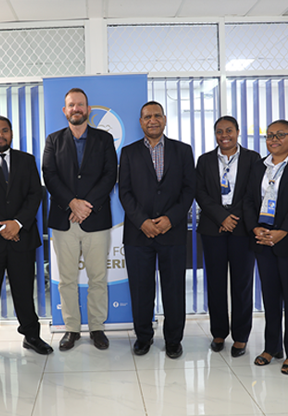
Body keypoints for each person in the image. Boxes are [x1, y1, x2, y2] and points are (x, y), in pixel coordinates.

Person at [0, 115, 53, 366]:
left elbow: (35, 193)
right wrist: (1, 226)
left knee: (25, 291)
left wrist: (18, 223)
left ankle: (31, 336)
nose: (0, 135)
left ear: (11, 134)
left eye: (5, 130)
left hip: (21, 238)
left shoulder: (27, 160)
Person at [118, 101, 195, 358]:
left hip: (172, 232)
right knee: (141, 290)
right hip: (138, 233)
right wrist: (143, 221)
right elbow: (125, 192)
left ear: (165, 119)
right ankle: (143, 337)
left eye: (157, 115)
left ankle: (174, 340)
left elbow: (188, 190)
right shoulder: (128, 153)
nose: (153, 120)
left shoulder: (183, 151)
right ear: (140, 122)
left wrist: (170, 219)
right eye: (147, 116)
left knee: (174, 290)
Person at [42, 88, 117, 351]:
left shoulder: (104, 140)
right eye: (71, 105)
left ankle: (97, 327)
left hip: (95, 219)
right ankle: (71, 328)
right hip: (65, 220)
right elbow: (49, 175)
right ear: (65, 111)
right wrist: (71, 203)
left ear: (88, 109)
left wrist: (87, 206)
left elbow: (110, 175)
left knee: (98, 277)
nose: (76, 109)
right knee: (67, 279)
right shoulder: (53, 140)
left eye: (81, 105)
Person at [242, 120, 288, 375]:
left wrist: (284, 231)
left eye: (281, 135)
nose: (274, 139)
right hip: (262, 240)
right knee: (270, 298)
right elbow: (248, 199)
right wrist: (254, 228)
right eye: (270, 135)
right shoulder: (259, 166)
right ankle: (272, 347)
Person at [196, 115, 260, 357]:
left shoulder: (253, 159)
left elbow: (253, 193)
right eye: (220, 131)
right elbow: (200, 192)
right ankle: (219, 333)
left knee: (242, 284)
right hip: (213, 229)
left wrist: (232, 218)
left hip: (243, 229)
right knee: (215, 283)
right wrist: (221, 217)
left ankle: (241, 336)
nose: (224, 135)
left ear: (238, 132)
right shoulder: (204, 161)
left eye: (229, 130)